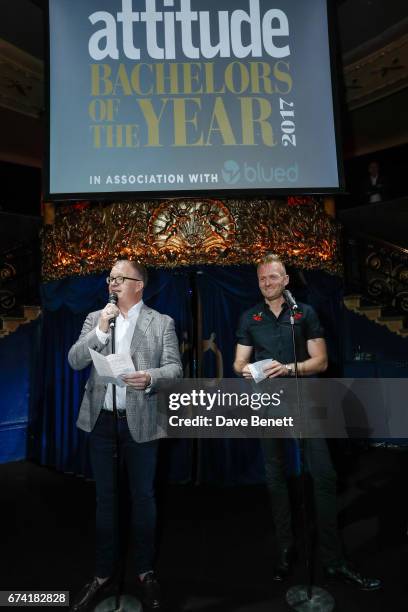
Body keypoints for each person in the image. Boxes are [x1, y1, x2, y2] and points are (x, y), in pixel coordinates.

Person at [233, 253, 381, 590]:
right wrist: (250, 371)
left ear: (285, 280)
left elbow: (321, 361)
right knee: (275, 477)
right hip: (269, 404)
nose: (266, 283)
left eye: (272, 277)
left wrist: (288, 369)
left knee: (324, 476)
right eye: (261, 279)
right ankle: (286, 549)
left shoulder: (304, 314)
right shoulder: (249, 318)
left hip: (307, 404)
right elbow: (238, 363)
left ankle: (333, 559)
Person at [68, 259, 183, 610]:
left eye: (120, 278)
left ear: (138, 284)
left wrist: (150, 377)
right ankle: (102, 573)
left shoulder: (161, 322)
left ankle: (145, 571)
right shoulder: (95, 318)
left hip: (142, 420)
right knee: (106, 500)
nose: (112, 284)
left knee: (143, 498)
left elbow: (175, 368)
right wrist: (101, 329)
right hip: (102, 422)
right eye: (110, 278)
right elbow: (75, 361)